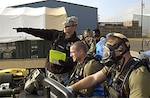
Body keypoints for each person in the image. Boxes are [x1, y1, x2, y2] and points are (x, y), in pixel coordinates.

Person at [67, 33, 150, 98]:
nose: (106, 55)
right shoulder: (114, 66)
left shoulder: (138, 75)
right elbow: (93, 78)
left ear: (120, 50)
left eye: (108, 52)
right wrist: (72, 88)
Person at [14, 16, 80, 86]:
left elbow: (77, 59)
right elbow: (40, 32)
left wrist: (66, 62)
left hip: (64, 74)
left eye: (67, 26)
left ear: (74, 26)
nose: (65, 27)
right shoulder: (56, 35)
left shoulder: (76, 42)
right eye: (64, 25)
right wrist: (24, 30)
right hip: (50, 71)